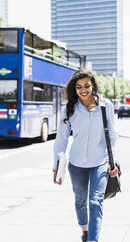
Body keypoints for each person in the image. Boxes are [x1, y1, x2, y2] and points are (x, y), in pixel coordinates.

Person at [53, 69, 118, 242]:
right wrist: (57, 166)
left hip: (100, 161)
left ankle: (92, 240)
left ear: (93, 86)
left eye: (87, 86)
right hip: (76, 163)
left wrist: (113, 161)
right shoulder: (69, 109)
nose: (83, 90)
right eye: (79, 87)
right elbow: (61, 140)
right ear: (74, 89)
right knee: (80, 201)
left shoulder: (106, 106)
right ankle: (85, 229)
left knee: (96, 202)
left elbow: (112, 136)